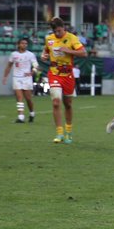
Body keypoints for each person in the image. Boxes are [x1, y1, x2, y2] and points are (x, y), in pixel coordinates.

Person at [42, 16, 87, 144]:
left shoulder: (72, 38)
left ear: (64, 28)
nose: (57, 33)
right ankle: (59, 133)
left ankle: (68, 132)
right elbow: (45, 51)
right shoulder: (49, 39)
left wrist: (68, 50)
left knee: (68, 104)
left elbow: (84, 53)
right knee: (56, 102)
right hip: (54, 73)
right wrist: (43, 55)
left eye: (59, 31)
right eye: (55, 31)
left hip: (67, 75)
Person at [3, 37, 39, 123]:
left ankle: (32, 113)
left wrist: (32, 72)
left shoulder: (30, 54)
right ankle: (21, 117)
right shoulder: (13, 54)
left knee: (28, 99)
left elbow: (36, 65)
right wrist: (5, 76)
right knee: (19, 97)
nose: (24, 45)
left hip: (27, 78)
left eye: (26, 43)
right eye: (22, 43)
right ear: (18, 44)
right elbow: (9, 65)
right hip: (16, 77)